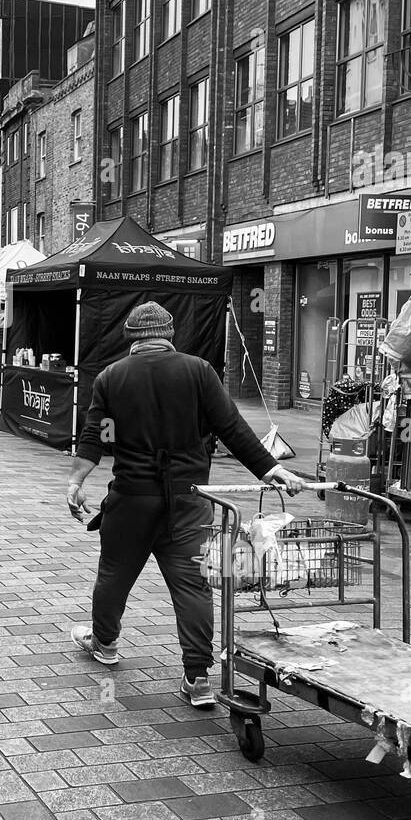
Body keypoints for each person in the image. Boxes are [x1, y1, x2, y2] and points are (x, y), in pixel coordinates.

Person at [66, 301, 304, 708]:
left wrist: (76, 481)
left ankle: (104, 643)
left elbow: (96, 436)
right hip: (191, 501)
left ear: (130, 338)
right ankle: (197, 678)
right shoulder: (198, 371)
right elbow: (231, 425)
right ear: (169, 335)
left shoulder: (111, 377)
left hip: (132, 501)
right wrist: (269, 470)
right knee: (194, 586)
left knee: (114, 576)